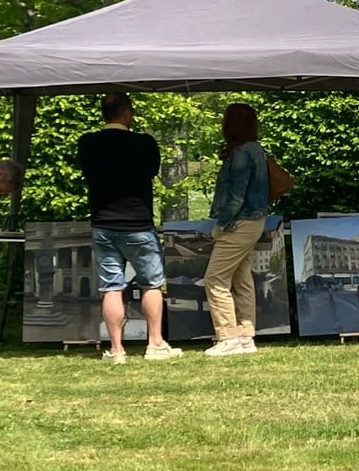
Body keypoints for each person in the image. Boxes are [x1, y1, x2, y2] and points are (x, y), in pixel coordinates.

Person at [77, 92, 180, 365]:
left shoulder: (87, 143)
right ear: (127, 112)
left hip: (103, 224)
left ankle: (116, 349)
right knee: (152, 284)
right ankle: (155, 343)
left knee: (111, 287)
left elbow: (87, 173)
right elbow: (152, 172)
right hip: (138, 224)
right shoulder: (144, 144)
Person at [203, 102, 269, 356]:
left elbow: (236, 195)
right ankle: (245, 336)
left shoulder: (241, 153)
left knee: (215, 278)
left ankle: (227, 336)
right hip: (254, 220)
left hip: (239, 222)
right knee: (242, 278)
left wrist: (222, 222)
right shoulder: (256, 150)